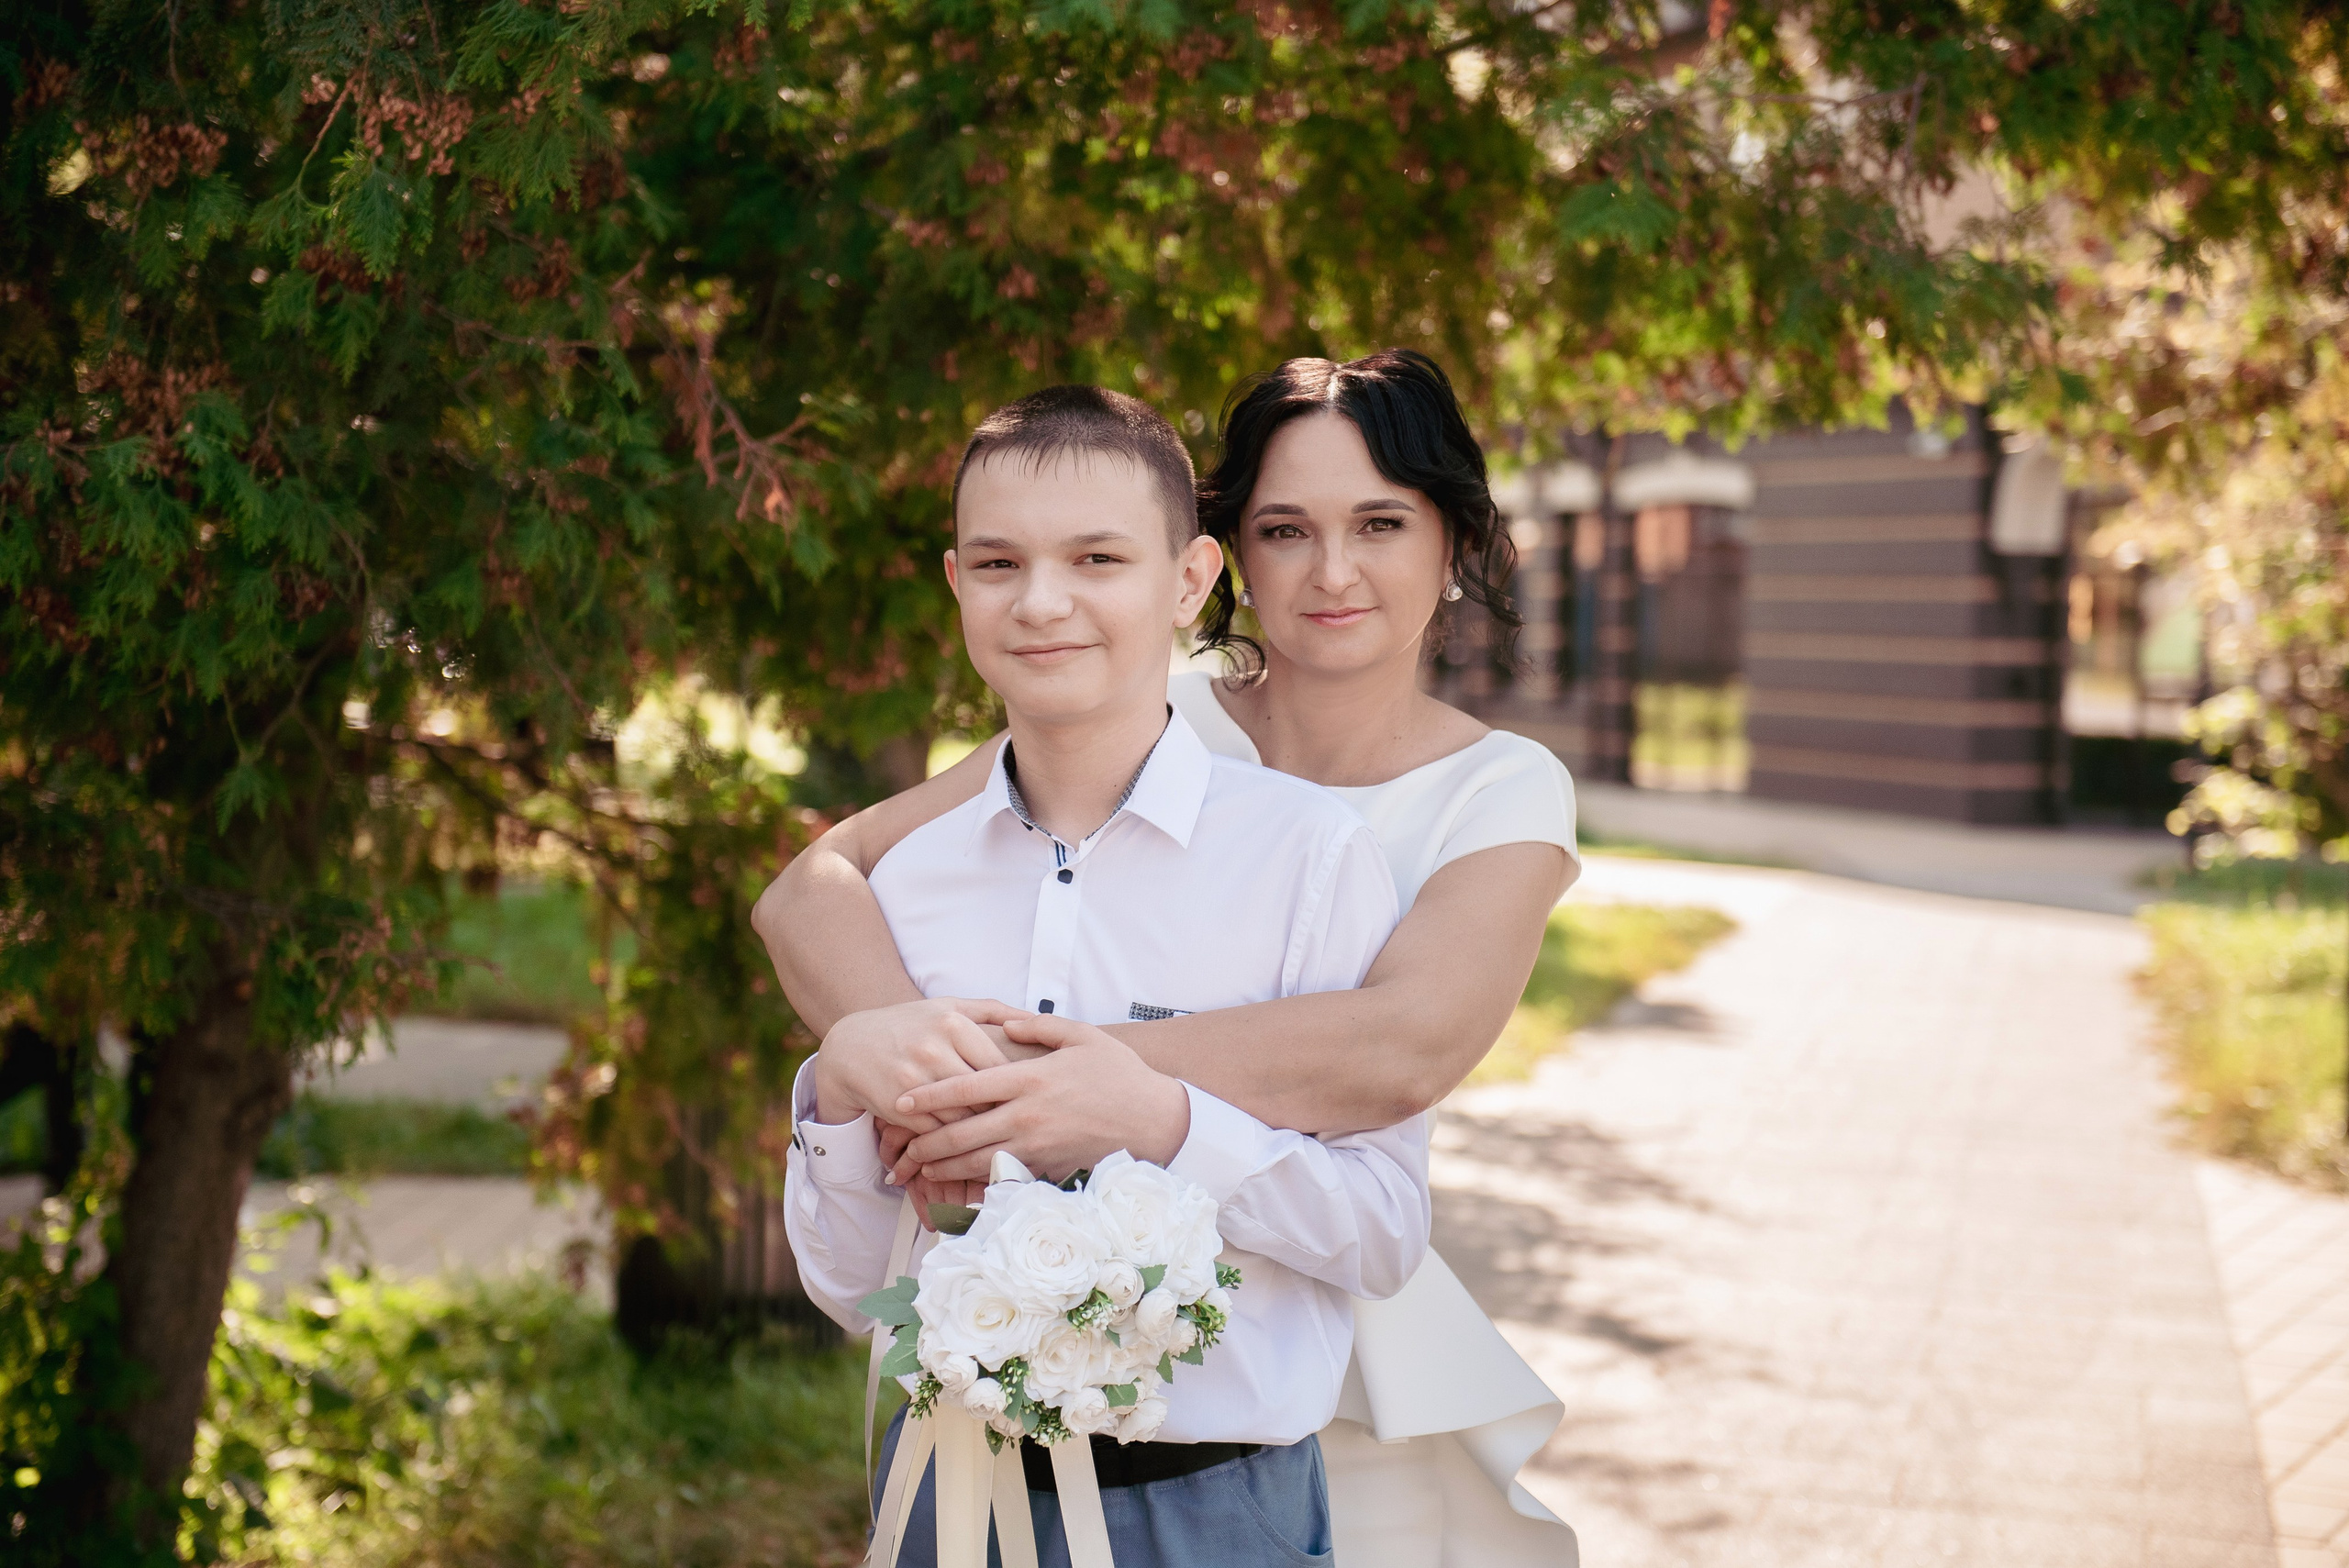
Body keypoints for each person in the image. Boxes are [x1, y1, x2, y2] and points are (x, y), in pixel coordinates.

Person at [760, 350, 1583, 1567]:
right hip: (1013, 1394)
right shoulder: (1135, 699)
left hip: (1302, 1337)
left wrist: (1063, 1091)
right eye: (1286, 527)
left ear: (1451, 540)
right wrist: (915, 1078)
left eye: (1381, 524)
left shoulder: (1493, 787)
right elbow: (820, 884)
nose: (1332, 570)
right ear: (1226, 558)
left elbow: (1402, 1048)